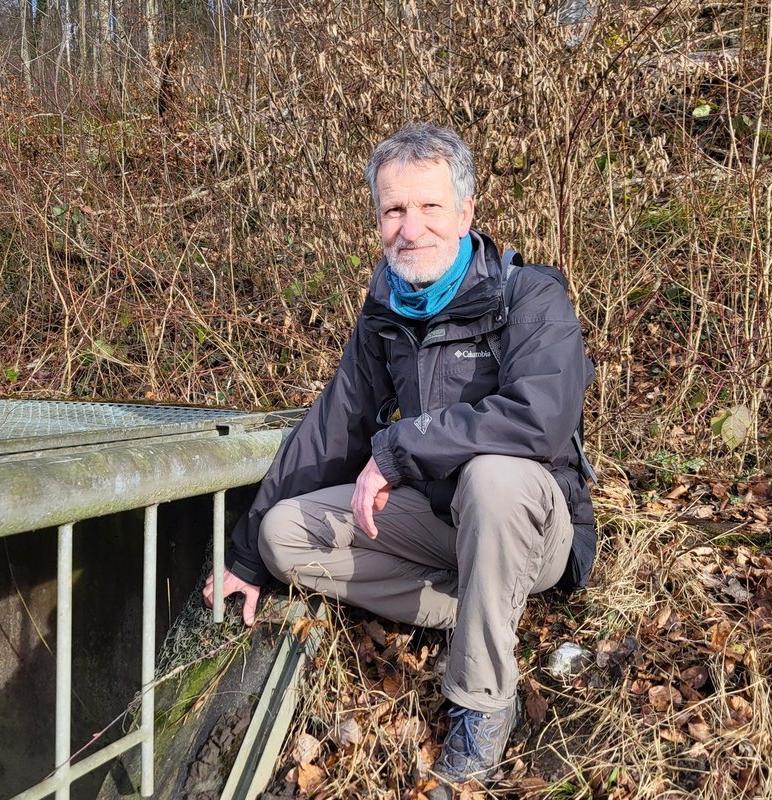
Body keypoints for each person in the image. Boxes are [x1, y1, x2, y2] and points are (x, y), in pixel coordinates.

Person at [204, 122, 596, 795]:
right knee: (284, 536)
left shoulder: (528, 296)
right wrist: (243, 557)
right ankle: (480, 609)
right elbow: (337, 425)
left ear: (466, 212)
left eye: (429, 207)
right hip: (439, 525)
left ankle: (481, 702)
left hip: (532, 528)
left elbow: (540, 420)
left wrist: (400, 449)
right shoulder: (386, 310)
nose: (409, 228)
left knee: (494, 476)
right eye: (393, 210)